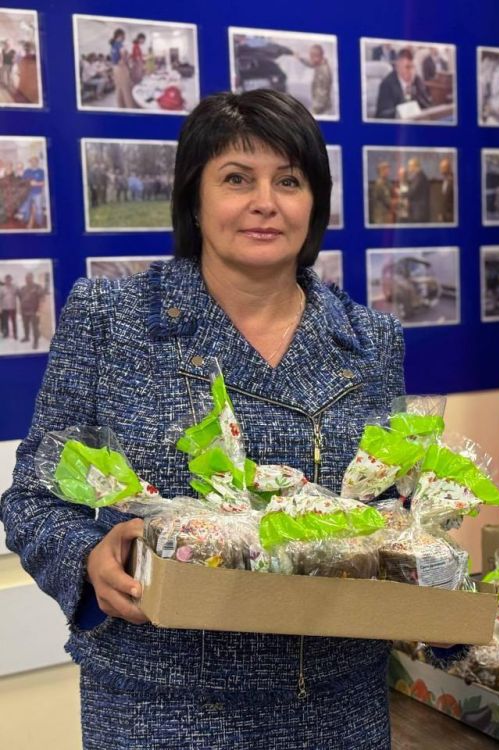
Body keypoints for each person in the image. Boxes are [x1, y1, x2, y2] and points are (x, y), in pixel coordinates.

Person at [0, 89, 405, 749]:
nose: (265, 202)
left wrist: (433, 584)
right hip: (162, 712)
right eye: (237, 179)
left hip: (338, 712)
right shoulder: (113, 319)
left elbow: (392, 511)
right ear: (194, 197)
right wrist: (89, 557)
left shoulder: (371, 342)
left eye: (290, 180)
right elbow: (36, 498)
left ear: (316, 203)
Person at [374, 47, 430, 119]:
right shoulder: (386, 84)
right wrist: (407, 110)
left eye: (413, 67)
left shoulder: (417, 80)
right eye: (407, 67)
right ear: (397, 67)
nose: (411, 72)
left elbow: (427, 105)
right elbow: (383, 114)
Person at [16, 271, 47, 349]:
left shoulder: (37, 287)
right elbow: (21, 299)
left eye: (29, 278)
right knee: (25, 325)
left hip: (34, 311)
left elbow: (42, 299)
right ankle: (26, 337)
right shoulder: (23, 288)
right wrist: (20, 309)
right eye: (26, 278)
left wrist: (39, 310)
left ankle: (35, 342)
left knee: (35, 327)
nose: (27, 279)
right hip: (24, 311)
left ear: (32, 278)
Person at [298, 44, 332, 116]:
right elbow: (310, 64)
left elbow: (323, 93)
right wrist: (300, 58)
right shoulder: (319, 64)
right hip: (321, 105)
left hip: (321, 108)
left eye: (311, 56)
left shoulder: (323, 72)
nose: (310, 58)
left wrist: (314, 111)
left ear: (317, 56)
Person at [109, 28, 138, 109]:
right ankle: (130, 108)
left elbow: (114, 58)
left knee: (119, 89)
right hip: (121, 69)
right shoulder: (119, 44)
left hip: (115, 69)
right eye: (124, 35)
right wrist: (126, 59)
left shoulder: (113, 45)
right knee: (126, 89)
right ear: (120, 35)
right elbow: (123, 54)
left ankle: (121, 107)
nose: (125, 37)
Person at [20, 156, 46, 229]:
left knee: (39, 209)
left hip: (37, 193)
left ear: (37, 162)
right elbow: (22, 182)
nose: (33, 162)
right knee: (26, 208)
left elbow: (44, 183)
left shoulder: (41, 171)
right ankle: (25, 220)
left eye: (34, 161)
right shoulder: (26, 171)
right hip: (27, 193)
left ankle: (40, 223)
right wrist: (28, 182)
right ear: (30, 162)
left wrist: (36, 183)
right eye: (31, 161)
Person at [405, 157, 429, 223]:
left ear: (415, 166)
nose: (408, 168)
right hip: (418, 211)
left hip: (419, 212)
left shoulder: (419, 177)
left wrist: (400, 193)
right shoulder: (419, 176)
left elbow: (412, 192)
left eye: (409, 166)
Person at [437, 158, 454, 224]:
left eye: (443, 167)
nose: (441, 170)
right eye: (440, 167)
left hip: (451, 217)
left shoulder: (453, 181)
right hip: (445, 216)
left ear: (448, 168)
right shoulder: (445, 180)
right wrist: (441, 213)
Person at [0, 274, 17, 339]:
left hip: (13, 308)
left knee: (13, 321)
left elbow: (19, 295)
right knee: (5, 321)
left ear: (11, 280)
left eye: (9, 279)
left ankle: (15, 334)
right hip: (5, 308)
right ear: (5, 280)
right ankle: (6, 333)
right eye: (7, 279)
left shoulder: (14, 287)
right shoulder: (2, 288)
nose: (8, 281)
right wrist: (0, 307)